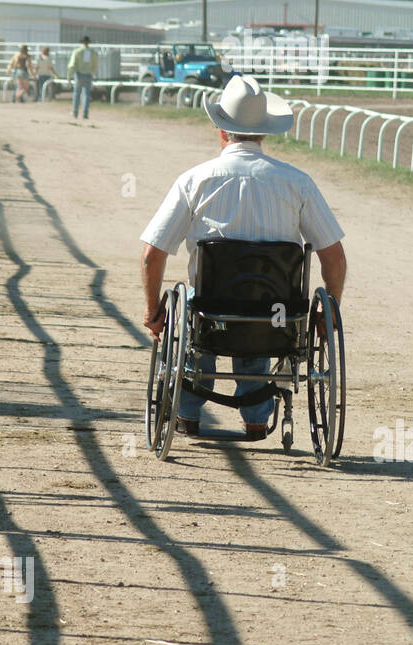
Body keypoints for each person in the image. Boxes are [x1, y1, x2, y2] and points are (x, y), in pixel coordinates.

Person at [140, 73, 346, 439]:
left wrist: (153, 311)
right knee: (263, 317)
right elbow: (334, 259)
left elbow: (151, 255)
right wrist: (328, 315)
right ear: (264, 133)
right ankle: (255, 417)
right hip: (277, 318)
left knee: (196, 315)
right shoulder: (297, 182)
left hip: (208, 313)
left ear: (222, 131)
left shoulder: (194, 180)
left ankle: (187, 413)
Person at [67, 35, 97, 119]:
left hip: (79, 74)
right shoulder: (93, 52)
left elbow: (72, 64)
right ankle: (85, 113)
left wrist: (69, 75)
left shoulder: (77, 52)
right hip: (88, 74)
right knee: (86, 94)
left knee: (77, 93)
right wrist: (93, 72)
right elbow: (95, 65)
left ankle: (75, 112)